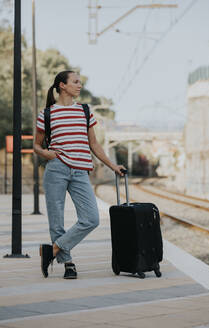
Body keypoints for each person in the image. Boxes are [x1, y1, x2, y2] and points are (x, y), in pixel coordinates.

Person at [34, 70, 125, 279]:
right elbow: (36, 146)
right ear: (62, 86)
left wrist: (113, 165)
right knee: (56, 221)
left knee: (91, 218)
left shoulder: (85, 111)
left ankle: (53, 249)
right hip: (56, 168)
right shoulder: (47, 114)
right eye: (75, 82)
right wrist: (46, 153)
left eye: (80, 82)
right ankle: (67, 263)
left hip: (80, 171)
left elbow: (94, 144)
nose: (79, 85)